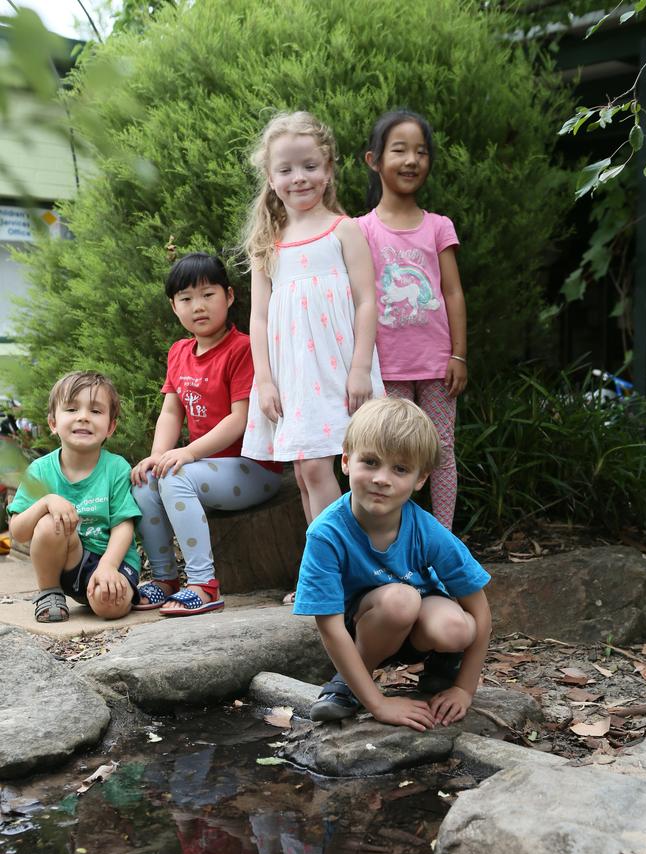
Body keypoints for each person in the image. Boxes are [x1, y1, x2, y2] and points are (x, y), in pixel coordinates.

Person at [240, 111, 384, 602]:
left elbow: (367, 299)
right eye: (286, 169)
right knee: (304, 471)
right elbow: (258, 318)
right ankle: (324, 566)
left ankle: (337, 573)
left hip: (338, 368)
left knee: (324, 469)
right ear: (271, 177)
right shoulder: (267, 243)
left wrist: (361, 367)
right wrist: (264, 380)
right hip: (292, 375)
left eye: (309, 166)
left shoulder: (344, 230)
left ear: (329, 168)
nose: (298, 177)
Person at [293, 397, 491, 731]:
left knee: (454, 626)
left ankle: (443, 670)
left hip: (420, 627)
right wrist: (379, 703)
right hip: (367, 628)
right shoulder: (326, 534)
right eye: (370, 462)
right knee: (401, 600)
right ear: (345, 461)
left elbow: (480, 611)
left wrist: (464, 688)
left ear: (420, 479)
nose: (382, 478)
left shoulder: (428, 531)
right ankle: (349, 684)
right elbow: (329, 627)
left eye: (399, 469)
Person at [131, 253, 283, 616]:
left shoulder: (242, 348)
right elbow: (171, 409)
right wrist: (157, 454)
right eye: (186, 298)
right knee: (143, 480)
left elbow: (239, 419)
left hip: (254, 468)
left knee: (175, 475)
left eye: (207, 294)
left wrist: (187, 453)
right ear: (174, 306)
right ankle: (165, 578)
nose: (197, 306)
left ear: (229, 296)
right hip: (206, 469)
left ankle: (203, 584)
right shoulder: (180, 352)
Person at [357, 109, 468, 530]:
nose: (411, 161)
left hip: (438, 365)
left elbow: (453, 292)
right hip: (388, 368)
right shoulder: (361, 230)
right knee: (391, 453)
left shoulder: (438, 227)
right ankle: (394, 536)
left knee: (440, 450)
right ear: (374, 160)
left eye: (421, 152)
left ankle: (443, 537)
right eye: (399, 150)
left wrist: (459, 355)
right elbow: (358, 298)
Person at [8, 371, 141, 623]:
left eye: (96, 411)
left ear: (111, 426)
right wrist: (45, 502)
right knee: (49, 523)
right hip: (69, 560)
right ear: (53, 423)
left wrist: (108, 566)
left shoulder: (116, 468)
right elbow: (19, 532)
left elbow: (123, 525)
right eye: (71, 409)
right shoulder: (40, 470)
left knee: (109, 607)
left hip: (112, 559)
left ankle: (106, 591)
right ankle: (49, 593)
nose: (83, 417)